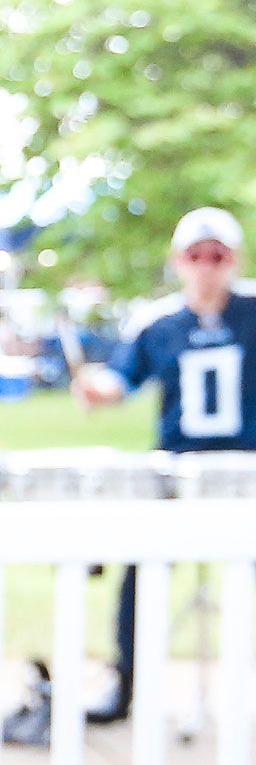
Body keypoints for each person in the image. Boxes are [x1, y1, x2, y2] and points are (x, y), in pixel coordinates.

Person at [74, 205, 256, 724]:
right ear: (179, 261)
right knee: (142, 568)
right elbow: (121, 379)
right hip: (178, 470)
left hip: (248, 470)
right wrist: (96, 389)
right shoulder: (158, 324)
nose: (206, 266)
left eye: (216, 256)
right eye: (196, 256)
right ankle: (125, 681)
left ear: (233, 260)